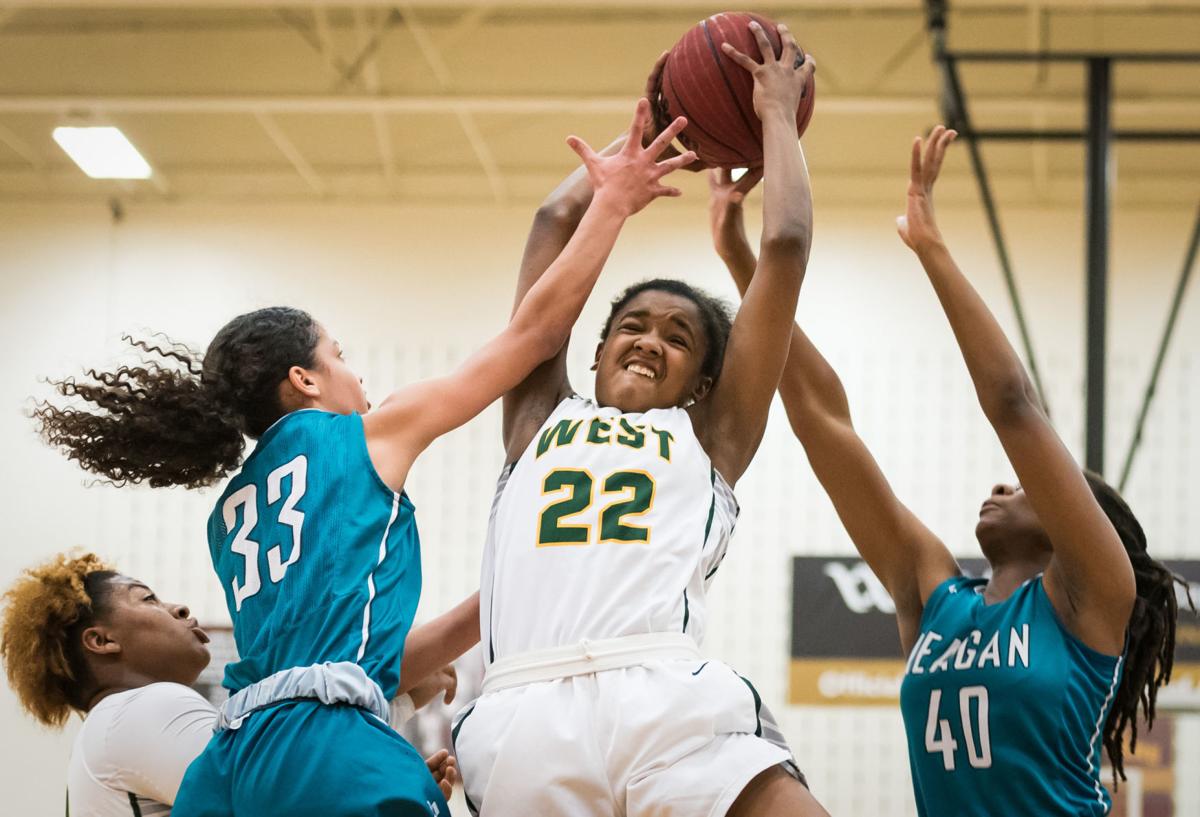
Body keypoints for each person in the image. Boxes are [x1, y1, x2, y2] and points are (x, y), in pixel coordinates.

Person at [31, 101, 695, 817]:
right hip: (331, 744)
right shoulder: (363, 436)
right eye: (339, 354)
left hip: (236, 754)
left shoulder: (227, 514)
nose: (356, 373)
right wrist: (612, 202)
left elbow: (317, 656)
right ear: (305, 380)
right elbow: (534, 334)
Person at [709, 126, 1191, 816]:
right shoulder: (936, 596)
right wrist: (745, 263)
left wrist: (931, 247)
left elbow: (1013, 404)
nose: (1003, 484)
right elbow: (822, 420)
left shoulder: (1092, 598)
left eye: (1027, 486)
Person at [452, 22, 828, 816]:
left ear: (704, 382)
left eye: (678, 337)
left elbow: (787, 245)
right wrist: (646, 135)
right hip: (525, 707)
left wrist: (777, 118)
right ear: (594, 353)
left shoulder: (713, 436)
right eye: (633, 325)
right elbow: (552, 223)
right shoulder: (537, 414)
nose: (651, 340)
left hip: (664, 691)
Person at [0, 552, 463, 816]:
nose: (179, 608)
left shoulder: (113, 728)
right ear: (101, 641)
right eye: (148, 599)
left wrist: (391, 765)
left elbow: (299, 766)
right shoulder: (138, 711)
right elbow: (291, 778)